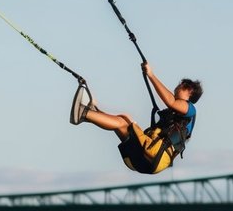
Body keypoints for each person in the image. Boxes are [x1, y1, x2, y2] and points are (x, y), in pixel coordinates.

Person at [71, 63, 203, 175]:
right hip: (145, 161)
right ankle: (90, 114)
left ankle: (85, 113)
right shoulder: (174, 115)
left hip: (154, 157)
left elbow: (171, 101)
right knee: (122, 121)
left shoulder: (190, 109)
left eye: (184, 85)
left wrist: (151, 74)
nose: (179, 85)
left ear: (190, 92)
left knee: (123, 122)